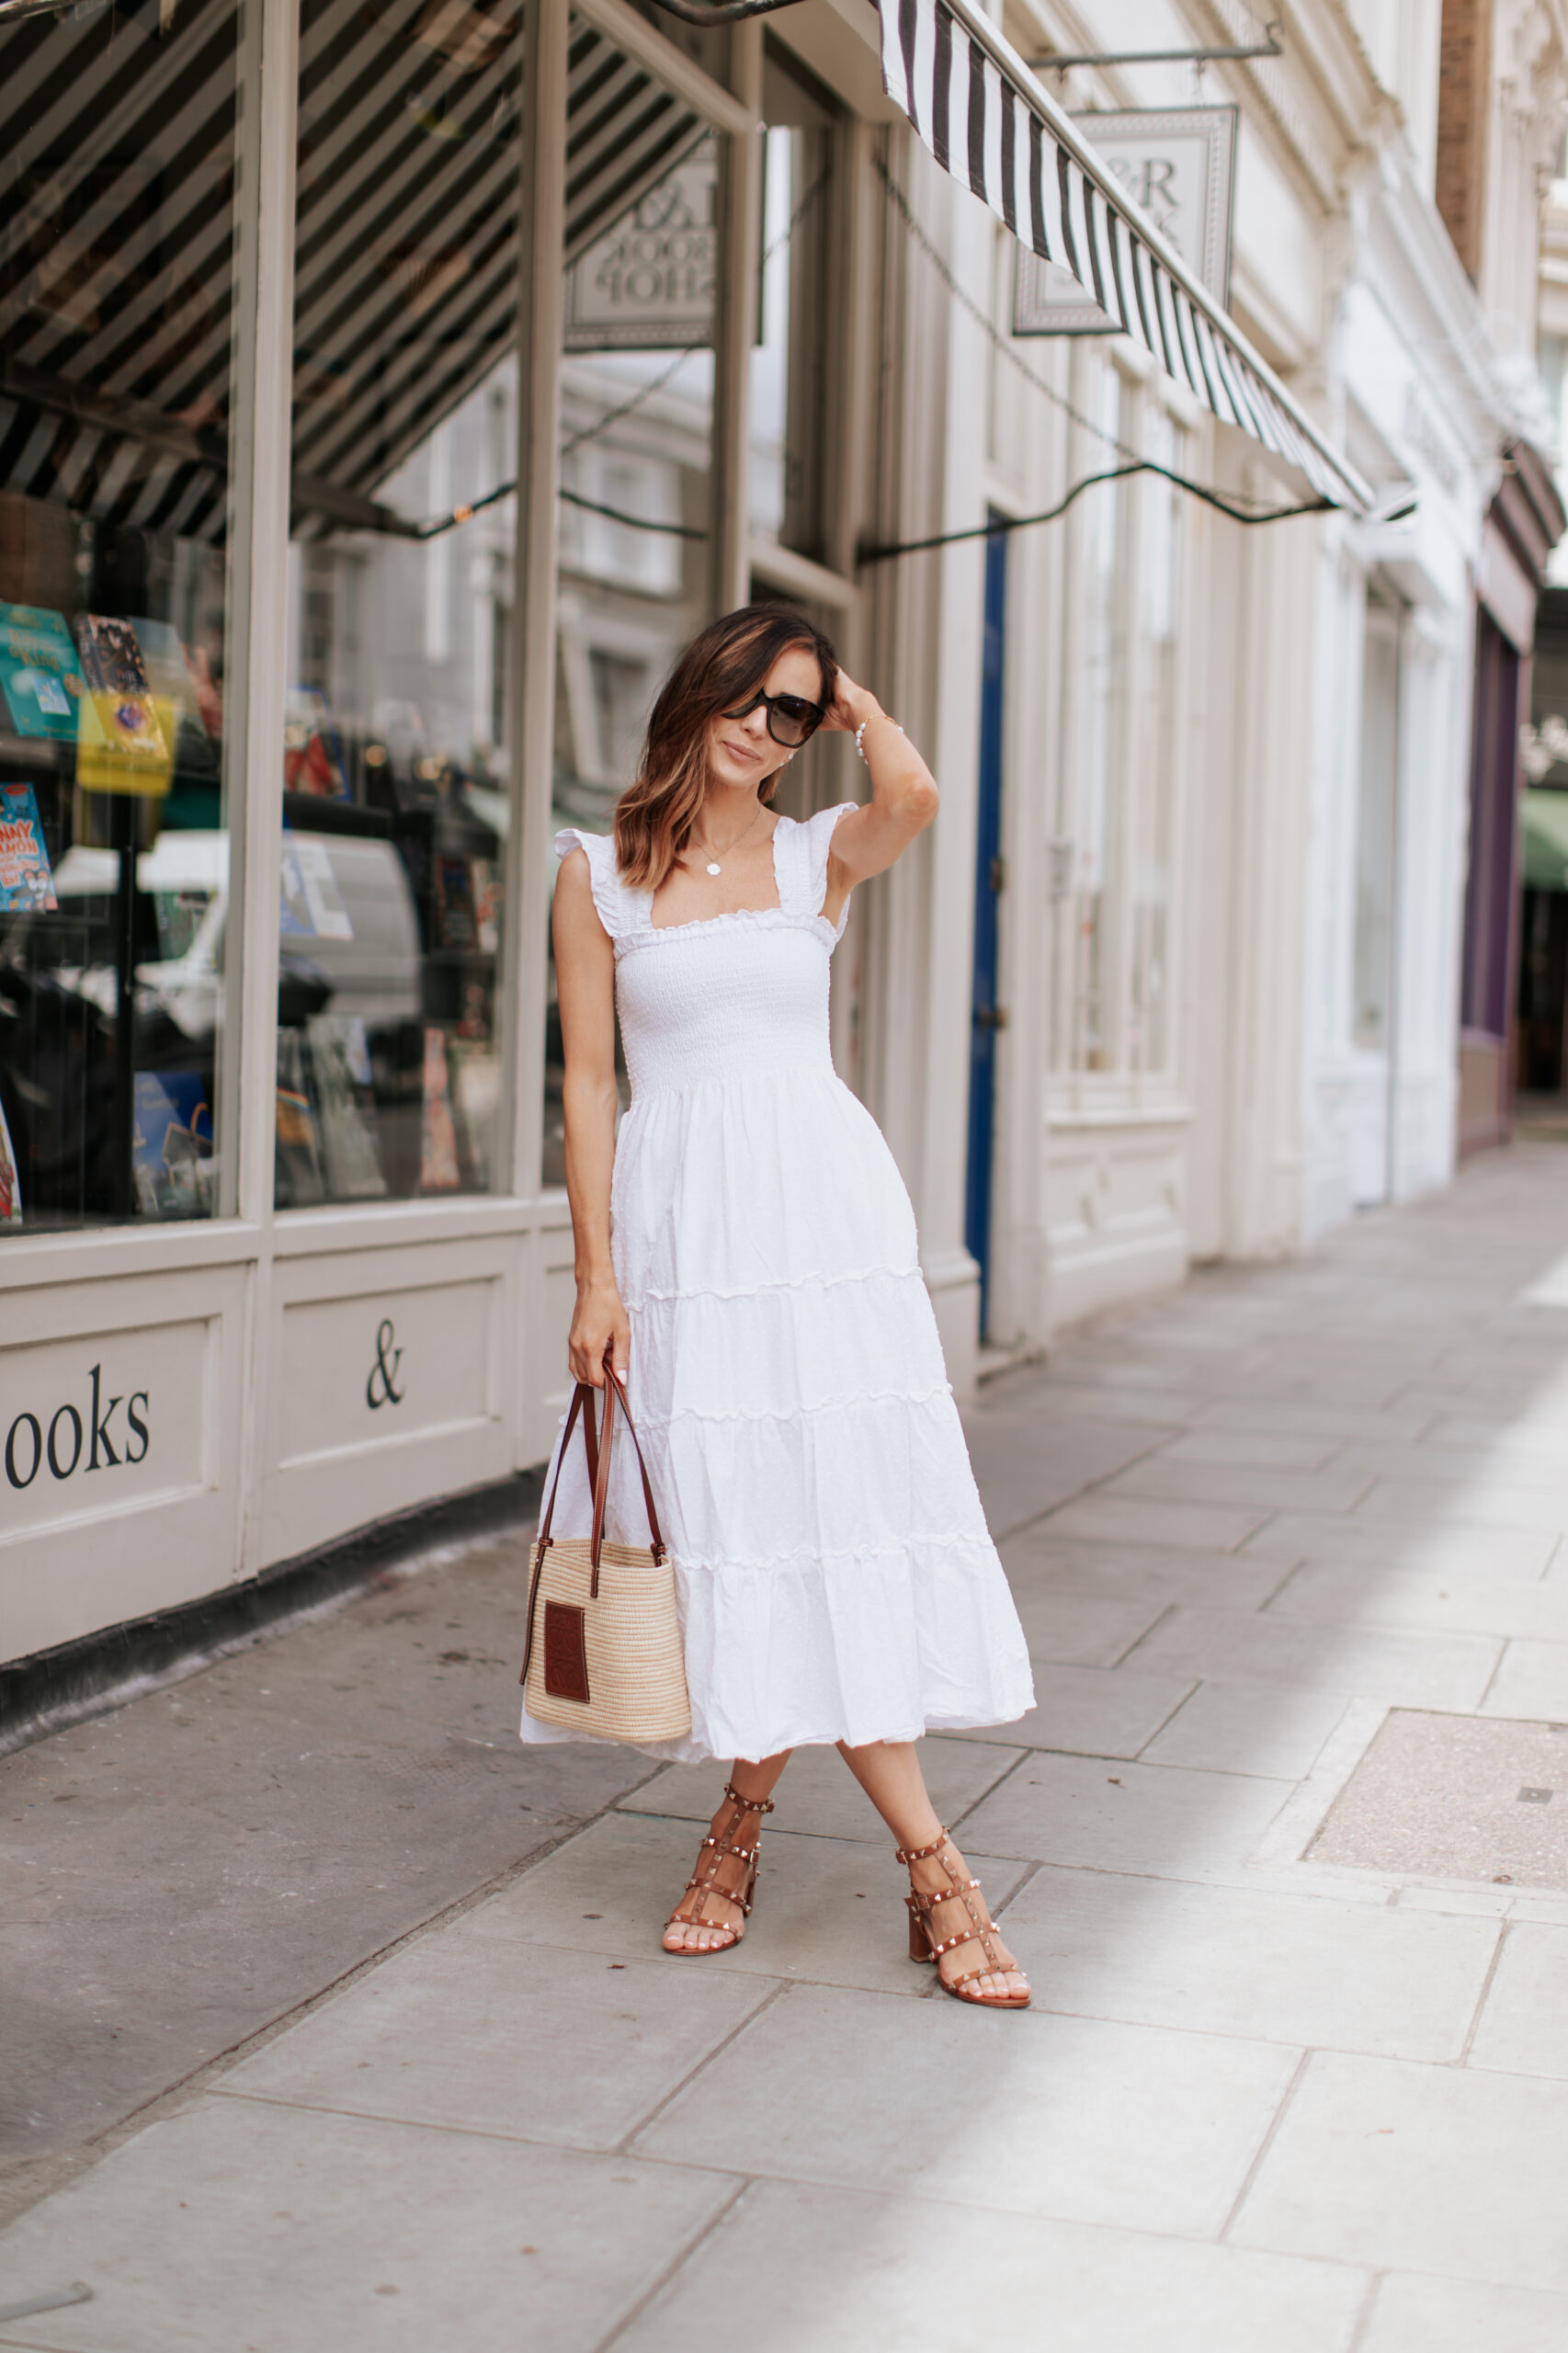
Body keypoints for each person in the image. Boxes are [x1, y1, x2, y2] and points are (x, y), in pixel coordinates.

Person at [530, 605, 1035, 2008]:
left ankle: (887, 1862)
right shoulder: (596, 873)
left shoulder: (816, 853)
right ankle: (804, 1841)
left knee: (838, 1513)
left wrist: (856, 702)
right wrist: (594, 1275)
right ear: (697, 687)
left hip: (821, 1220)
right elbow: (586, 1083)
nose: (763, 726)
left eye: (792, 714)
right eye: (748, 696)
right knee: (746, 1523)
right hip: (688, 1232)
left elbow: (919, 797)